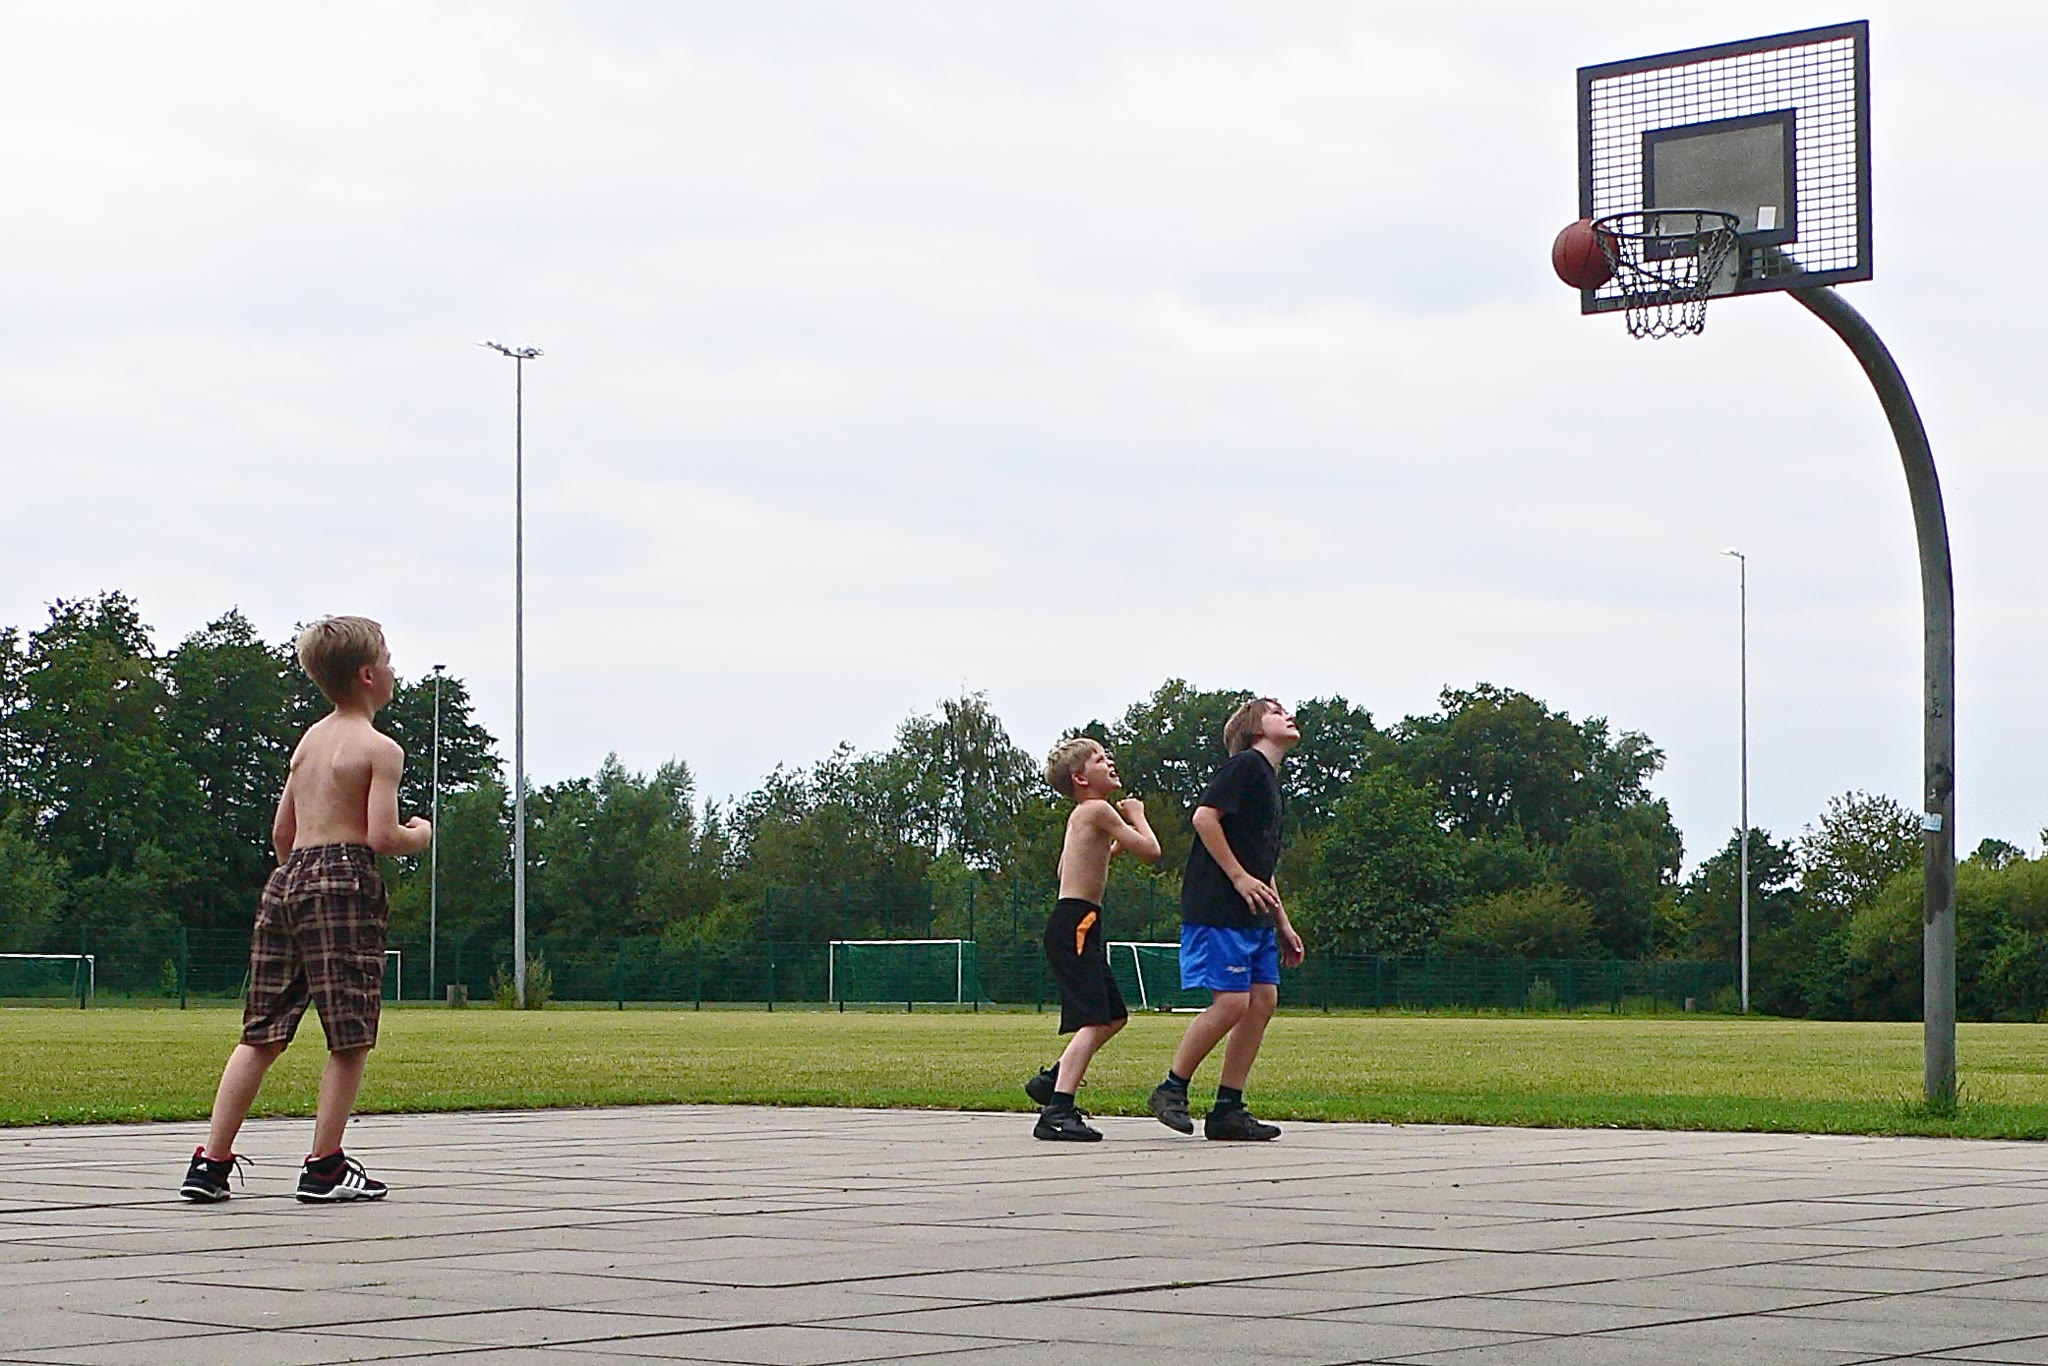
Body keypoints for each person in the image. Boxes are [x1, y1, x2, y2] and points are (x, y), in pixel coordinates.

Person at [180, 616, 433, 1203]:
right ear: (367, 675)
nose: (393, 669)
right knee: (349, 1032)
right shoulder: (380, 749)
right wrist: (419, 833)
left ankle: (210, 1163)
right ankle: (324, 1166)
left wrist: (298, 877)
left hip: (288, 878)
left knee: (262, 1031)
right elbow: (381, 836)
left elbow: (281, 831)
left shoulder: (309, 742)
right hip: (343, 880)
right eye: (388, 660)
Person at [1148, 698, 1304, 1140]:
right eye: (1276, 711)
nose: (1288, 715)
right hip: (1219, 907)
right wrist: (1236, 877)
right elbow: (1204, 818)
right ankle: (1171, 1088)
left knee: (1262, 1001)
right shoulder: (1245, 765)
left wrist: (1282, 922)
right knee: (1233, 1003)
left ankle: (1228, 1109)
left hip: (1254, 915)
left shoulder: (1269, 781)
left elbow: (1261, 864)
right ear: (1256, 729)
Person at [1025, 738, 1161, 1141]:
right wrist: (1137, 816)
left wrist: (1109, 848)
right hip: (1078, 924)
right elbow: (1151, 851)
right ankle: (1057, 1111)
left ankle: (1053, 1079)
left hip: (1073, 922)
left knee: (1114, 1015)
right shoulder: (1100, 809)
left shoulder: (1082, 815)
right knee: (1095, 1019)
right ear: (1081, 778)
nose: (1110, 761)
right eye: (1100, 759)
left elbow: (1063, 869)